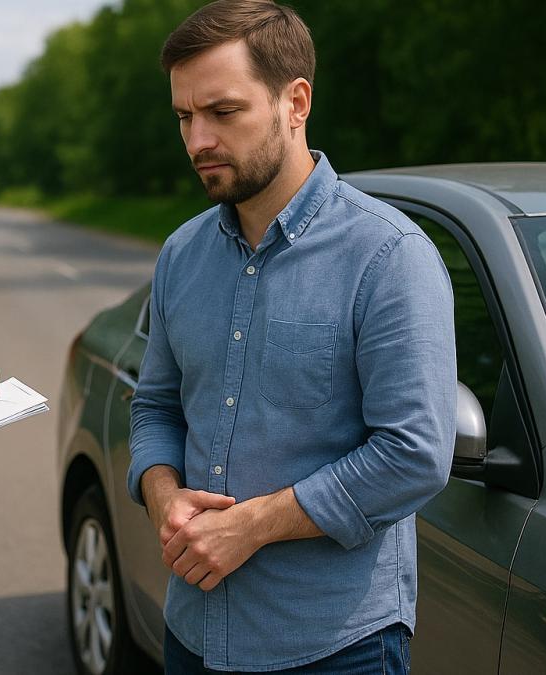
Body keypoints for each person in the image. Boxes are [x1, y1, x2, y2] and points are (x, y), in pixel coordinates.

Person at [126, 1, 457, 672]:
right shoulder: (180, 255)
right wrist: (164, 494)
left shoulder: (389, 255)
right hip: (189, 632)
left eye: (223, 112)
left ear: (294, 101)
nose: (197, 141)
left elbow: (415, 452)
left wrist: (251, 525)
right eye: (184, 117)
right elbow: (155, 405)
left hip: (335, 647)